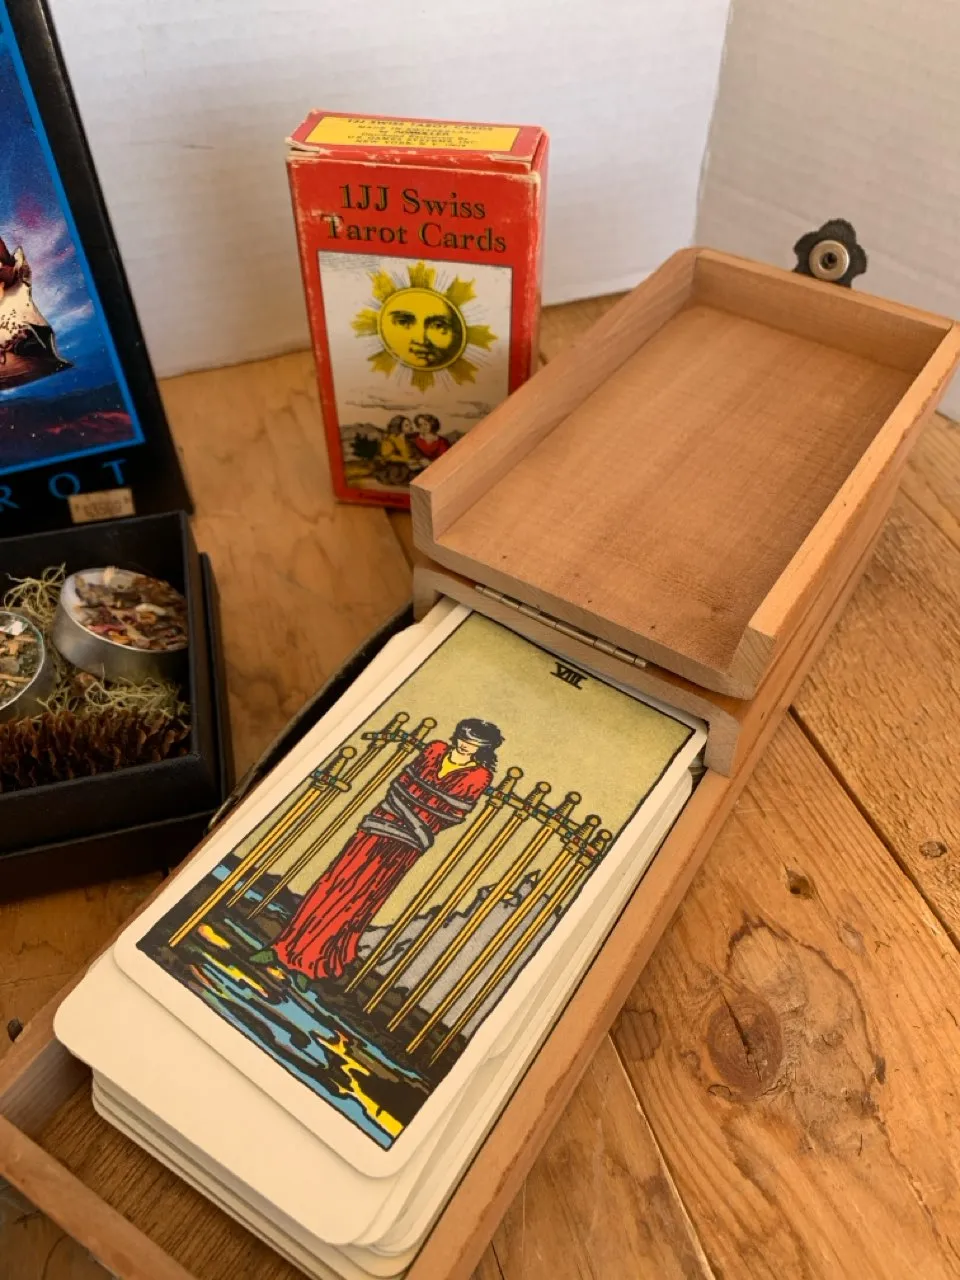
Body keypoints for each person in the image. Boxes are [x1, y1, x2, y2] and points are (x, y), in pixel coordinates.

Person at [250, 719, 504, 988]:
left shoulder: (479, 776)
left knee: (361, 898)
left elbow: (452, 814)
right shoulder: (435, 749)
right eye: (464, 738)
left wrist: (414, 813)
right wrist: (418, 812)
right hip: (378, 825)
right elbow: (400, 786)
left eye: (474, 743)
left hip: (406, 843)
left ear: (483, 749)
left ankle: (312, 963)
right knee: (332, 884)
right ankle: (282, 947)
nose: (466, 745)